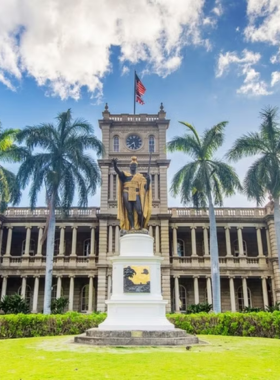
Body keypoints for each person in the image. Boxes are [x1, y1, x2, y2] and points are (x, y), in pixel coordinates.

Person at [112, 156, 152, 230]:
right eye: (132, 165)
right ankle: (132, 227)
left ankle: (141, 226)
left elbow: (145, 188)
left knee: (140, 211)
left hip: (136, 193)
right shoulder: (125, 175)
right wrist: (115, 165)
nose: (133, 167)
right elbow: (118, 172)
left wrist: (148, 180)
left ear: (136, 166)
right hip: (126, 192)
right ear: (129, 166)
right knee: (129, 211)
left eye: (134, 166)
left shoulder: (140, 177)